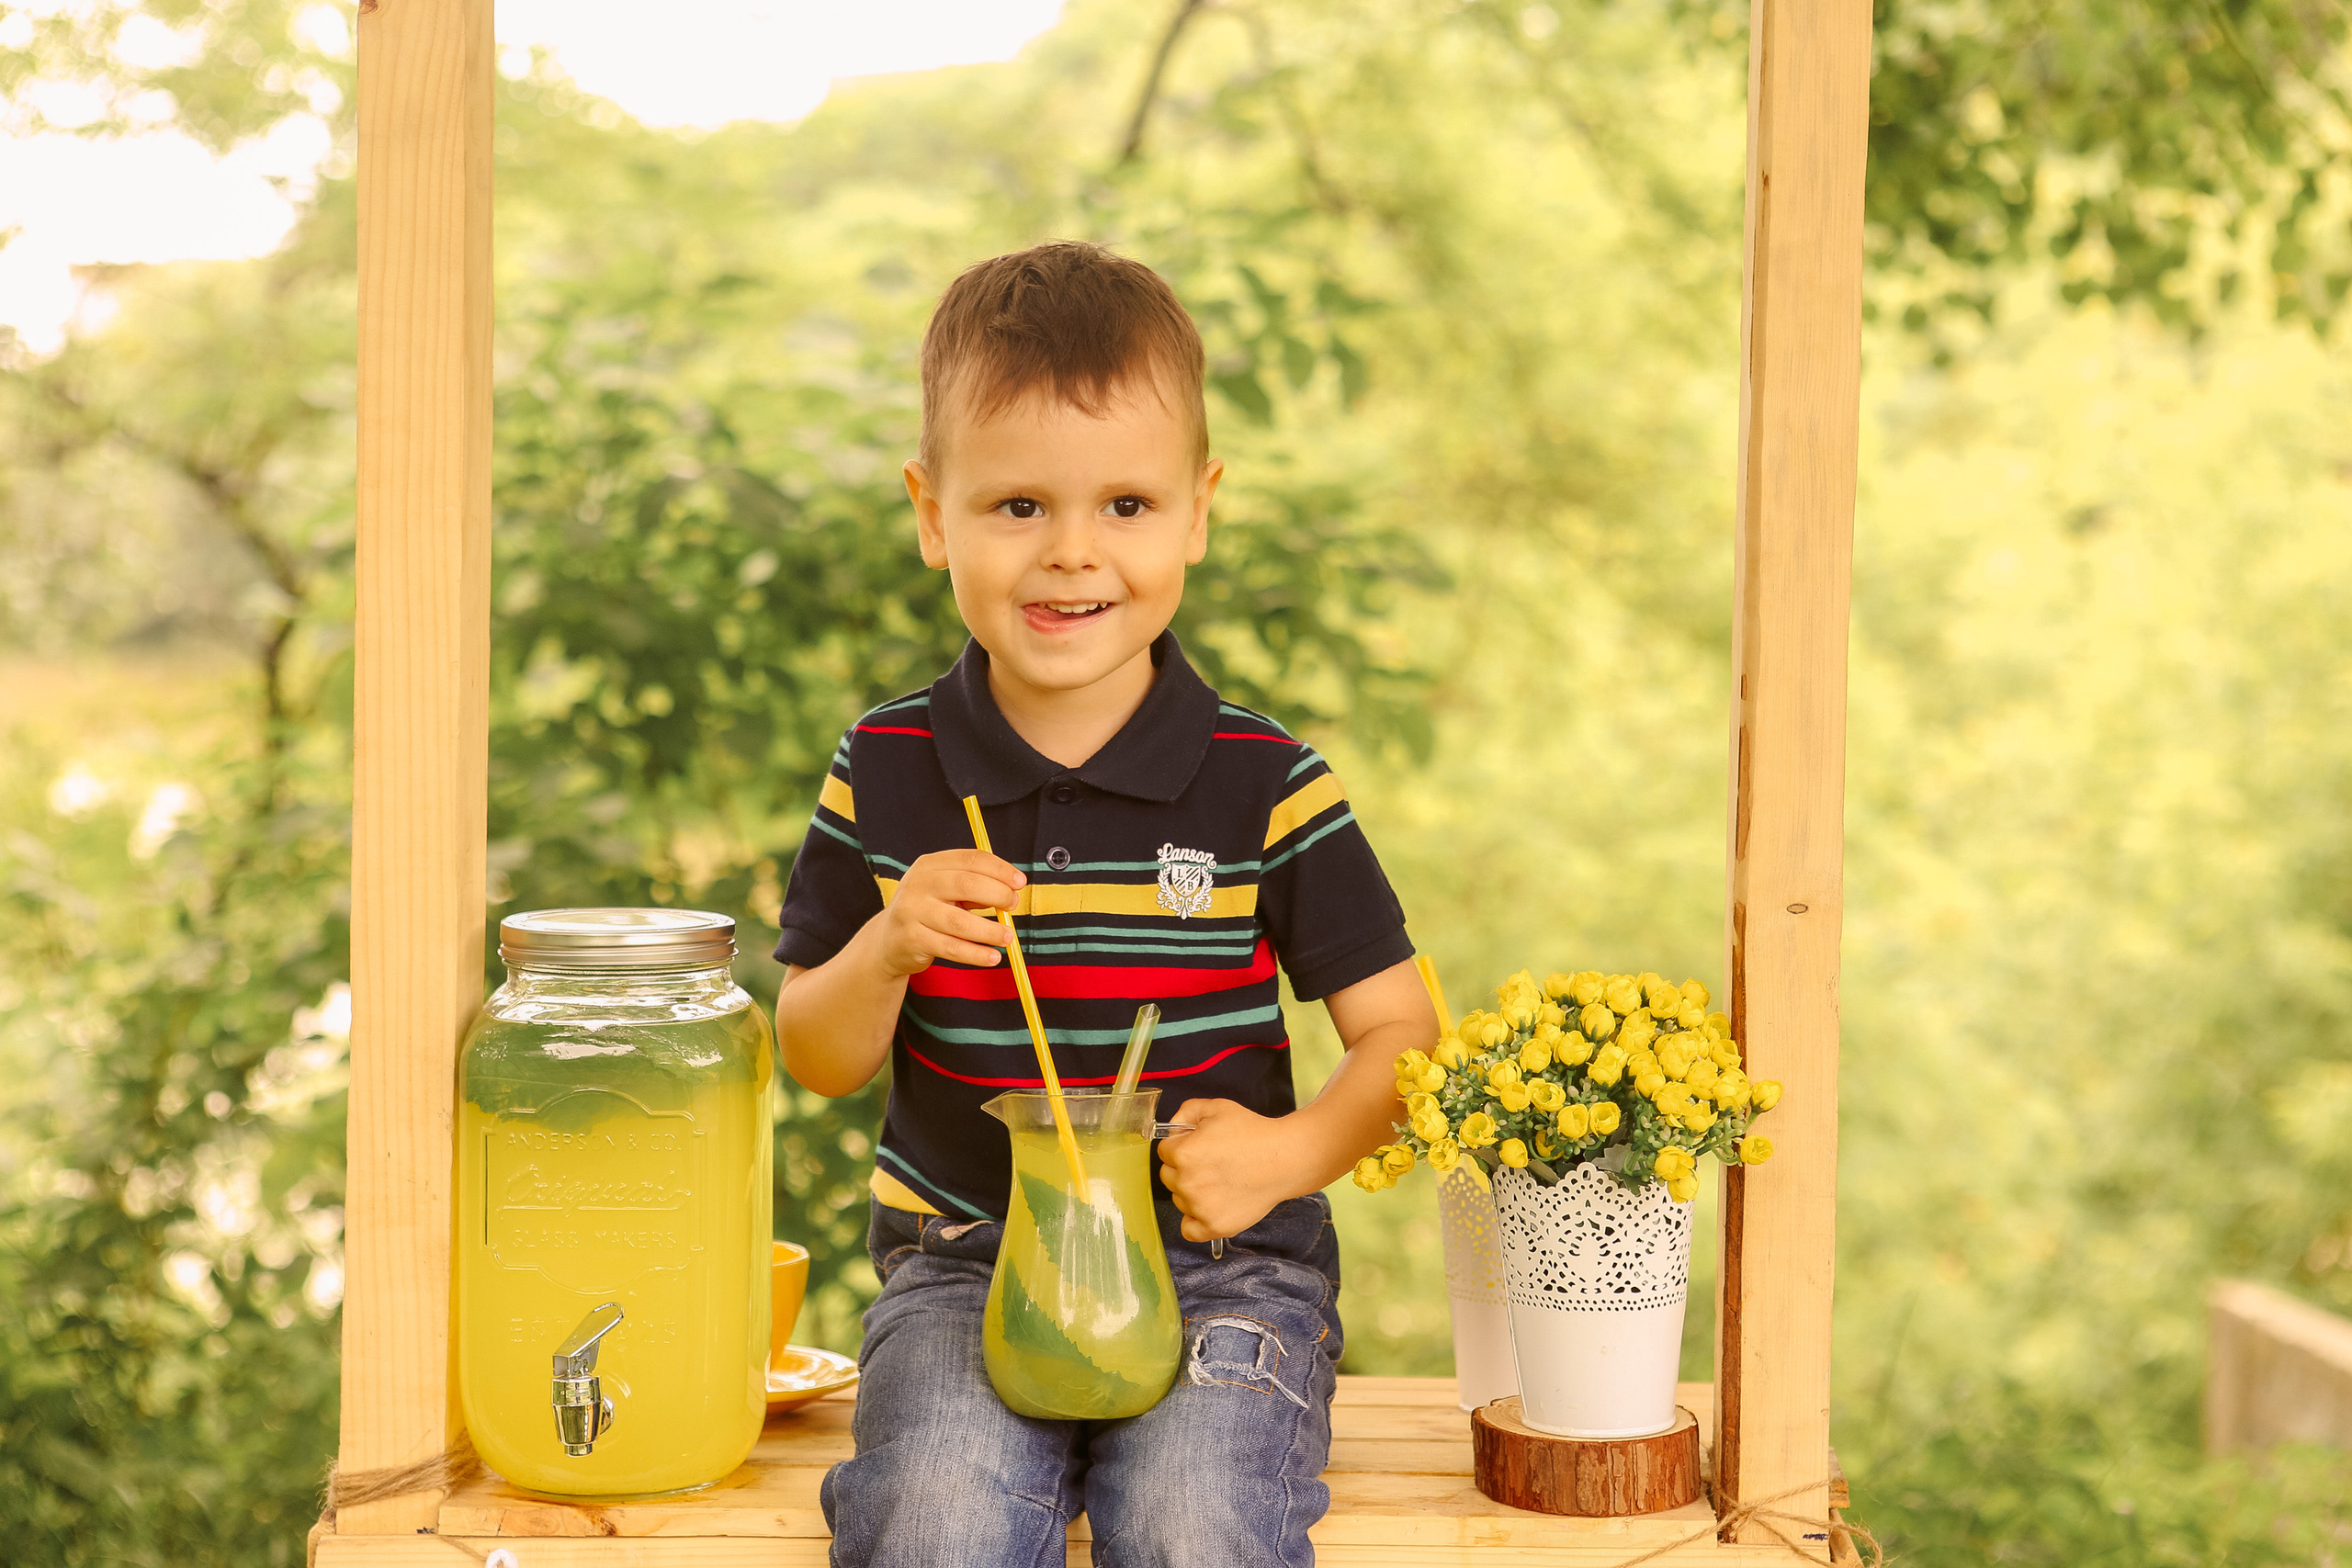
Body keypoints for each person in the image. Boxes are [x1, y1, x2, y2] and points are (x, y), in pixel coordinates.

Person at [773, 240, 1437, 1568]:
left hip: (1223, 1266)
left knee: (1197, 1525)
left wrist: (1288, 1157)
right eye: (1017, 505)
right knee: (935, 1522)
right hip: (965, 1261)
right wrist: (890, 947)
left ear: (1198, 512)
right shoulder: (888, 768)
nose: (1072, 555)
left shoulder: (1267, 782)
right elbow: (815, 1051)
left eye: (1126, 507)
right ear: (930, 512)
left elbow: (1405, 1038)